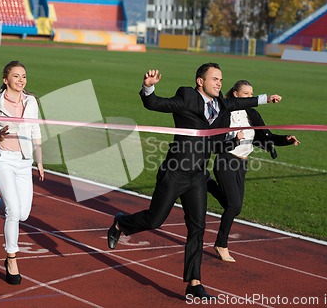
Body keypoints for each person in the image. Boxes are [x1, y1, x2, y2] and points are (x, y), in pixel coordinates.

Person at [107, 63, 282, 299]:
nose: (219, 83)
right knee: (154, 219)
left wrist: (264, 99)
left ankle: (194, 283)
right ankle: (121, 224)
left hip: (198, 175)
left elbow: (238, 106)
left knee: (197, 229)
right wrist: (148, 88)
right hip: (175, 171)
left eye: (221, 79)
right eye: (215, 79)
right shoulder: (187, 97)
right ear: (200, 81)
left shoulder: (221, 104)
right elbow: (155, 104)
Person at [208, 79, 300, 263]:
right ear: (236, 95)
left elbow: (264, 137)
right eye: (246, 94)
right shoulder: (225, 113)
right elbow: (214, 144)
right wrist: (234, 140)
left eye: (251, 94)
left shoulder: (253, 114)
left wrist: (285, 140)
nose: (250, 97)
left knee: (235, 207)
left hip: (242, 165)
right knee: (233, 206)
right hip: (226, 160)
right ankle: (221, 244)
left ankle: (206, 182)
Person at [0, 61, 44, 285]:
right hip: (3, 160)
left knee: (23, 214)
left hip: (25, 162)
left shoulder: (31, 101)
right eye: (16, 76)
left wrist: (39, 162)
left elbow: (36, 131)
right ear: (6, 80)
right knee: (13, 211)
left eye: (24, 76)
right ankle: (11, 259)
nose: (21, 80)